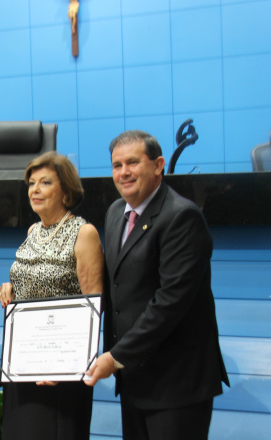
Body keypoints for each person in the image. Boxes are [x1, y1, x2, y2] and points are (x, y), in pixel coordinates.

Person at [85, 130, 229, 440]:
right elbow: (116, 290)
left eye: (133, 162)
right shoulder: (114, 213)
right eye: (117, 165)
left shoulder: (181, 217)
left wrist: (114, 356)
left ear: (158, 165)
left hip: (177, 383)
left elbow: (170, 302)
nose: (124, 172)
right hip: (135, 377)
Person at [0, 152, 104, 440]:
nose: (35, 189)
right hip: (23, 361)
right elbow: (31, 279)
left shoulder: (84, 233)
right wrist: (9, 287)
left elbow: (94, 306)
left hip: (60, 371)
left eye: (45, 182)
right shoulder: (33, 230)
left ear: (66, 192)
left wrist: (67, 366)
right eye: (32, 183)